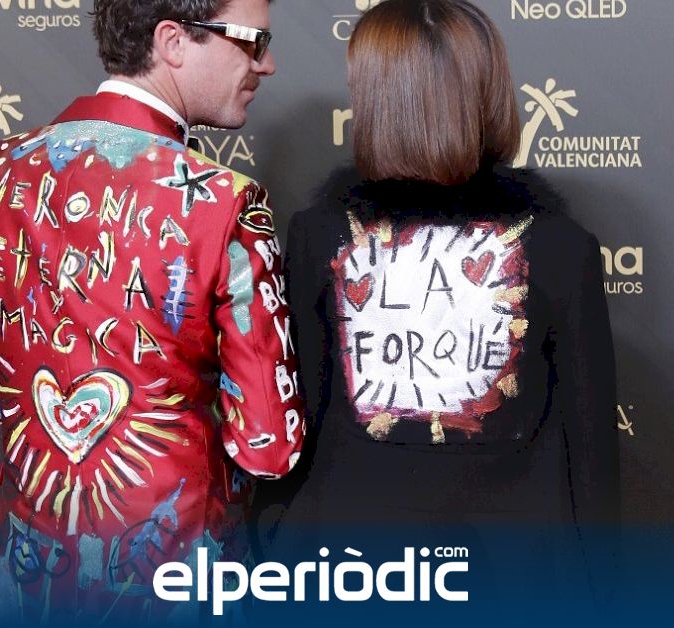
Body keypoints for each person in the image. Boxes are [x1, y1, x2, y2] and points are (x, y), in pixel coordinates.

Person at [0, 0, 303, 622]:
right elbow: (267, 447)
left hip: (28, 587)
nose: (267, 63)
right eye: (252, 41)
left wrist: (36, 397)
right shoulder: (227, 202)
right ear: (173, 41)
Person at [253, 0, 619, 617]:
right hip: (505, 578)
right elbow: (593, 466)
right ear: (489, 94)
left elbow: (297, 426)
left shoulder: (319, 235)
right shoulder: (561, 246)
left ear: (377, 102)